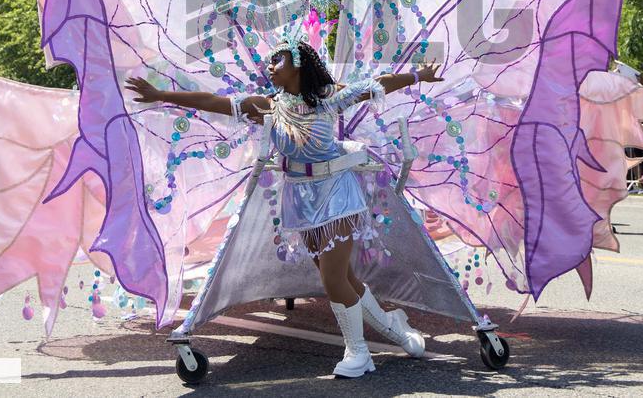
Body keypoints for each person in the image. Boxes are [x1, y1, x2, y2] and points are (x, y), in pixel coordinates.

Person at [126, 40, 440, 378]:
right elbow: (211, 102)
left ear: (299, 64)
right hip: (300, 200)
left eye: (278, 60)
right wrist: (161, 96)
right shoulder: (268, 106)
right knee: (344, 278)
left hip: (336, 193)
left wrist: (417, 75)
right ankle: (393, 326)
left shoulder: (329, 96)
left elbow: (377, 85)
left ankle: (359, 353)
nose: (270, 66)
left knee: (333, 279)